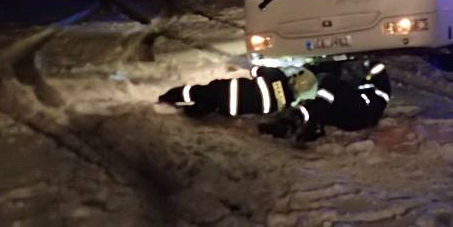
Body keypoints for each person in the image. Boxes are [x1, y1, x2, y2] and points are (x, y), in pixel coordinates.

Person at [158, 61, 391, 142]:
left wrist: (257, 69)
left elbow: (259, 70)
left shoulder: (279, 77)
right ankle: (191, 113)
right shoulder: (283, 102)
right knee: (205, 102)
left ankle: (167, 99)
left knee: (194, 92)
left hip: (224, 91)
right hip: (231, 107)